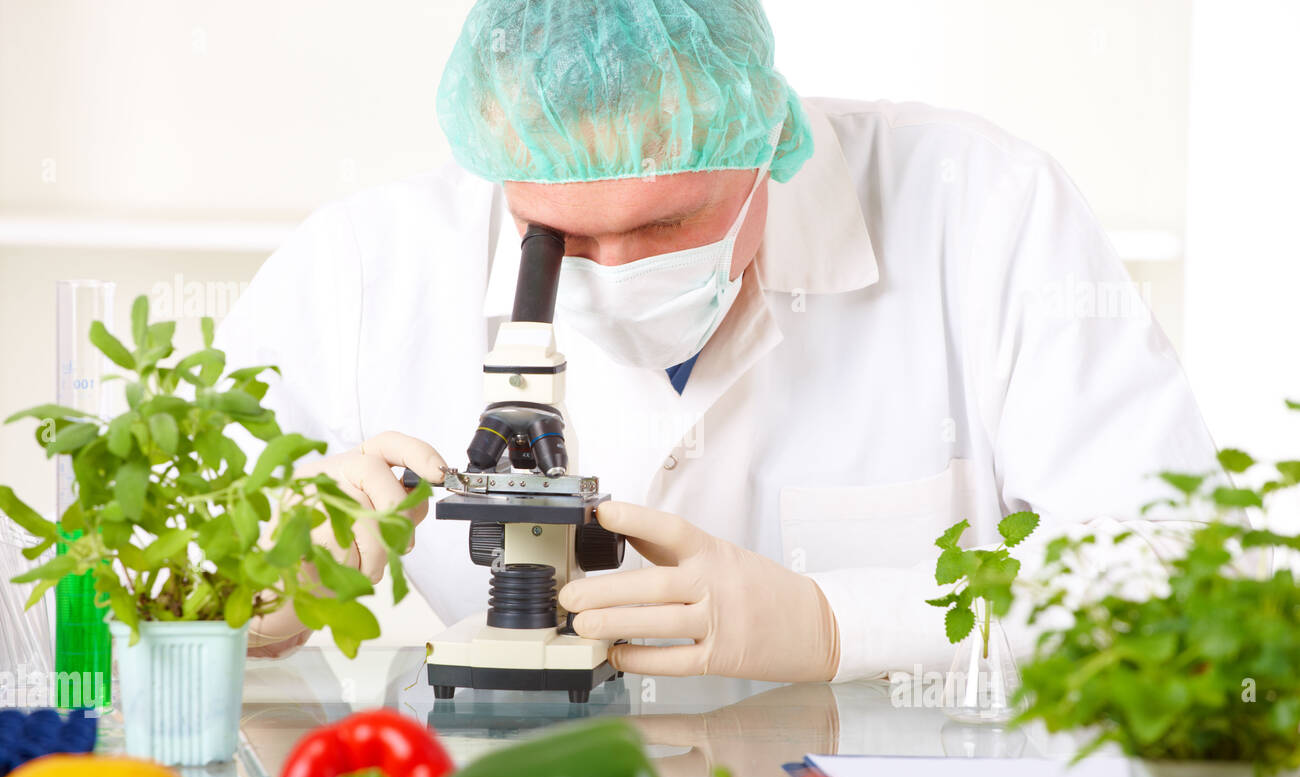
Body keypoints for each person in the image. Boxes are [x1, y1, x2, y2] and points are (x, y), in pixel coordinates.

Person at [216, 0, 1218, 681]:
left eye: (663, 226)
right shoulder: (358, 270)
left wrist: (840, 623)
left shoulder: (985, 213)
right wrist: (257, 598)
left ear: (764, 138)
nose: (611, 269)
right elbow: (140, 575)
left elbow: (1188, 589)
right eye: (553, 235)